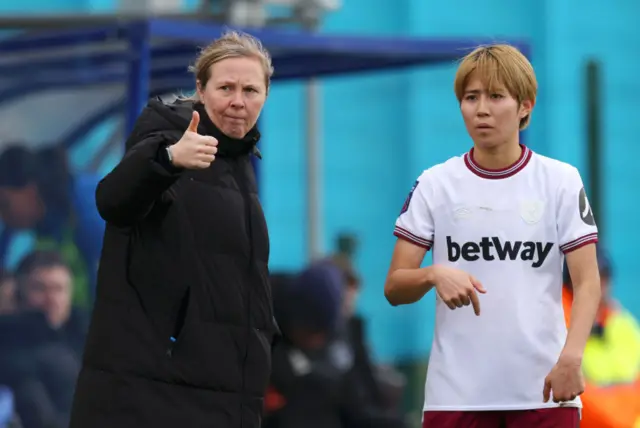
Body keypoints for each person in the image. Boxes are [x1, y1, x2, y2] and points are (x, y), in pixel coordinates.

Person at [384, 44, 601, 428]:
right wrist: (435, 274)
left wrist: (571, 357)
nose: (481, 109)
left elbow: (587, 283)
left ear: (525, 107)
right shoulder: (435, 184)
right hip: (456, 396)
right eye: (471, 97)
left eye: (496, 96)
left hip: (545, 393)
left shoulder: (560, 181)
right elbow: (395, 286)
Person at [69, 30, 276, 428]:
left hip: (222, 390)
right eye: (225, 87)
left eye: (250, 89)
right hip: (157, 392)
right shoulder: (168, 137)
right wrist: (167, 160)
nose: (238, 101)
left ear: (265, 94)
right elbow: (114, 200)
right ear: (200, 89)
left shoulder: (237, 163)